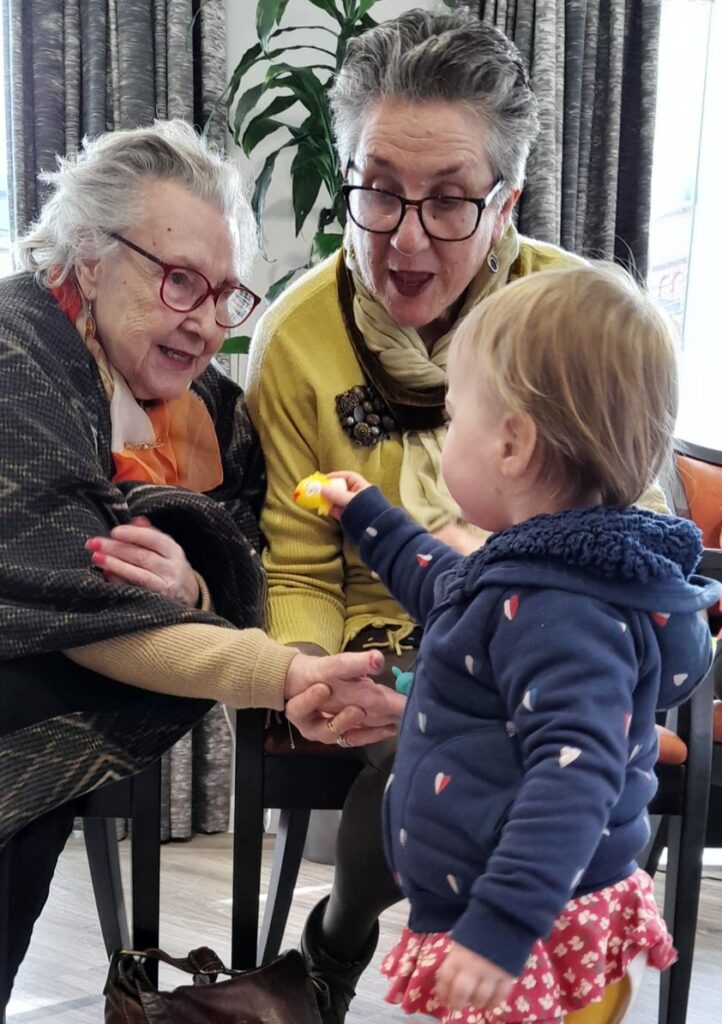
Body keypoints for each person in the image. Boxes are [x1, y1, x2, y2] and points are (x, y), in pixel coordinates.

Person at [244, 9, 669, 1020]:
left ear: (504, 200)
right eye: (376, 192)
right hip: (377, 648)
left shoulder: (577, 316)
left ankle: (371, 962)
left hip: (545, 652)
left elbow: (632, 528)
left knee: (478, 755)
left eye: (446, 202)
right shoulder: (296, 339)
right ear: (343, 169)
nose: (402, 235)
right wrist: (312, 672)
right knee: (439, 740)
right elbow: (303, 564)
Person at [0, 119, 403, 1009]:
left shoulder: (213, 411)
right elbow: (68, 598)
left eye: (223, 295)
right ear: (88, 258)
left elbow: (243, 563)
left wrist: (193, 585)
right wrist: (282, 668)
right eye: (179, 279)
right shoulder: (15, 357)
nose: (203, 321)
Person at [321, 264, 721, 1023]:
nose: (446, 439)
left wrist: (502, 924)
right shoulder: (534, 574)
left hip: (527, 924)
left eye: (452, 418)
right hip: (513, 906)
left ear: (512, 444)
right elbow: (445, 585)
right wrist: (368, 514)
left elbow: (577, 772)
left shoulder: (565, 613)